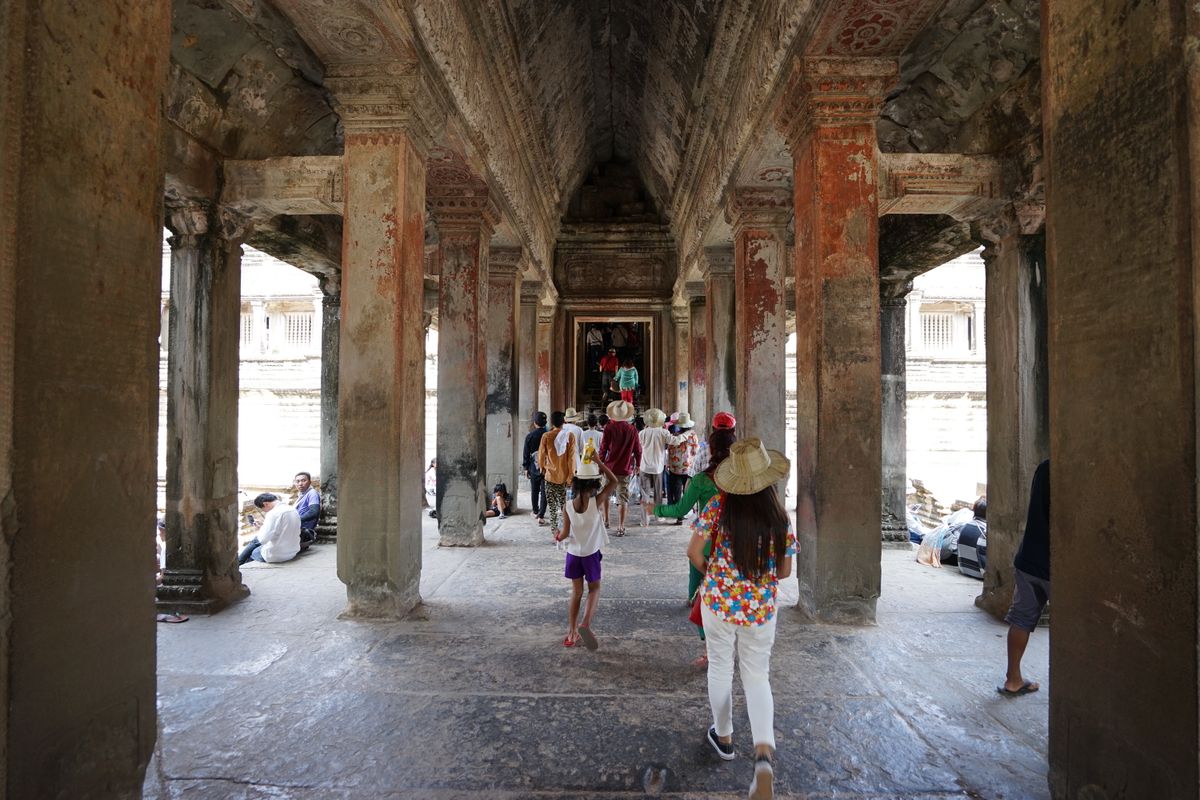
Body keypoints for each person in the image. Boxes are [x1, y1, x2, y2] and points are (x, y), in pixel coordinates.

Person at [688, 438, 794, 799]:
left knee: (720, 667)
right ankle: (763, 755)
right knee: (756, 676)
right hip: (760, 609)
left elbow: (694, 551)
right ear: (767, 479)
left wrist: (713, 573)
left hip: (718, 603)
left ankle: (725, 737)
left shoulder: (719, 506)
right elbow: (783, 572)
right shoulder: (780, 517)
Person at [657, 426, 738, 663]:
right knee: (730, 591)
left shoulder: (702, 480)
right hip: (733, 544)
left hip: (706, 544)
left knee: (698, 592)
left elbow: (682, 509)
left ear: (711, 449)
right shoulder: (741, 483)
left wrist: (657, 509)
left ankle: (710, 646)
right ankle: (727, 641)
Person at [554, 449, 618, 650]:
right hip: (590, 555)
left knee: (576, 592)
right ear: (593, 485)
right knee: (594, 589)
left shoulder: (568, 506)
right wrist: (599, 461)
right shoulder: (596, 502)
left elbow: (564, 534)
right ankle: (585, 624)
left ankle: (572, 633)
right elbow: (614, 481)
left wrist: (557, 535)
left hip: (573, 555)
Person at [999, 459, 1050, 697]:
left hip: (1029, 556)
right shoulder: (1077, 466)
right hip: (1057, 562)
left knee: (1021, 619)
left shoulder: (1044, 467)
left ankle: (1013, 679)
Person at [598, 400, 641, 536]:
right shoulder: (632, 429)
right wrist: (638, 464)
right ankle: (621, 526)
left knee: (605, 494)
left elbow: (603, 448)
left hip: (609, 467)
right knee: (623, 497)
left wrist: (600, 464)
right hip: (625, 468)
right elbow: (638, 450)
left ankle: (606, 520)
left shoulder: (609, 428)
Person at [537, 411, 577, 539]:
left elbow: (541, 455)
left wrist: (542, 469)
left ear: (552, 422)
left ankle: (555, 532)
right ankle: (567, 530)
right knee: (565, 506)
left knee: (552, 507)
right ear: (564, 421)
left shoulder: (546, 436)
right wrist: (571, 475)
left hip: (550, 476)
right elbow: (572, 458)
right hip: (565, 477)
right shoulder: (570, 436)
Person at [237, 493, 302, 565]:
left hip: (277, 555)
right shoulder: (292, 509)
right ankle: (239, 562)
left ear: (265, 504)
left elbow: (263, 539)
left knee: (254, 551)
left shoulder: (272, 513)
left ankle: (239, 563)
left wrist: (261, 529)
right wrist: (264, 526)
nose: (265, 511)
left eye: (263, 509)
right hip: (293, 551)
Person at [637, 408, 672, 527]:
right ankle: (658, 516)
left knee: (644, 494)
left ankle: (644, 520)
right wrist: (686, 436)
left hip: (644, 466)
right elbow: (674, 441)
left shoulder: (642, 433)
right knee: (658, 493)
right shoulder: (664, 432)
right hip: (658, 467)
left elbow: (640, 446)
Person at [664, 412, 700, 518]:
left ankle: (679, 515)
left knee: (677, 492)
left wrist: (669, 464)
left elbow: (669, 451)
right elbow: (695, 451)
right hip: (688, 469)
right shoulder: (693, 436)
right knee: (687, 491)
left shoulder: (674, 437)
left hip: (675, 469)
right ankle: (686, 511)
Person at [523, 412, 549, 525]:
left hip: (534, 467)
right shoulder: (549, 435)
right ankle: (541, 515)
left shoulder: (530, 436)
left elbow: (526, 453)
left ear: (534, 423)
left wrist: (526, 468)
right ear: (546, 422)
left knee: (534, 490)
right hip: (548, 467)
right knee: (544, 491)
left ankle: (535, 511)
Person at [293, 471, 320, 548]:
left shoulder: (312, 493)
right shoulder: (302, 495)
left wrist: (294, 520)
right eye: (297, 481)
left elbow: (313, 512)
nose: (300, 484)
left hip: (304, 529)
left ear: (310, 482)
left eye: (303, 480)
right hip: (297, 527)